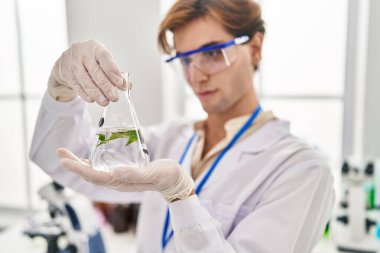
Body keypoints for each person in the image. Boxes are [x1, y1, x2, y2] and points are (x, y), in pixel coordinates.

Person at [30, 0, 335, 252]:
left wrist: (181, 196)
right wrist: (61, 90)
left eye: (213, 53)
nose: (196, 75)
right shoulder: (173, 140)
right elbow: (63, 157)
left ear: (255, 48)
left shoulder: (302, 171)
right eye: (185, 60)